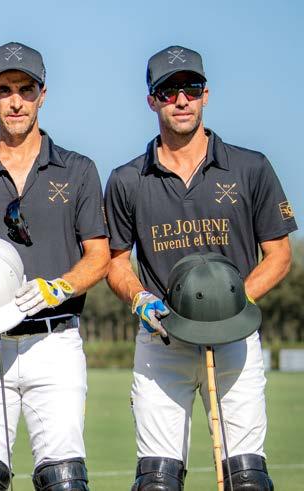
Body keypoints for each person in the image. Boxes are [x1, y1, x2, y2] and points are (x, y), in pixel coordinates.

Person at [105, 45, 297, 490]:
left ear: (206, 94)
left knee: (246, 478)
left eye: (191, 88)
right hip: (162, 337)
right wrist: (139, 298)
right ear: (152, 100)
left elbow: (279, 255)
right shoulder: (128, 179)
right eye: (168, 91)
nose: (181, 100)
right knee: (156, 481)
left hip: (234, 338)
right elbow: (114, 261)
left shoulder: (250, 167)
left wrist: (229, 304)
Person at [0, 42, 110, 491]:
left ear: (42, 94)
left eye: (26, 89)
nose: (16, 101)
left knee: (63, 480)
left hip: (55, 340)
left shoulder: (78, 170)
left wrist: (59, 287)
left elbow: (99, 255)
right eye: (4, 90)